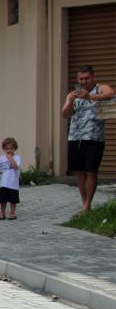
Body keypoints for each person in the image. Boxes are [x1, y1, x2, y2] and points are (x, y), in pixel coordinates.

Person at [61, 66, 115, 213]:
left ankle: (86, 206)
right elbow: (64, 114)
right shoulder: (73, 94)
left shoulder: (99, 88)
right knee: (79, 172)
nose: (84, 81)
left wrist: (89, 97)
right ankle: (85, 203)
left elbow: (111, 93)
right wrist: (70, 101)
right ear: (78, 79)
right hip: (74, 137)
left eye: (87, 78)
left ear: (93, 77)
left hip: (94, 138)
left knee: (91, 172)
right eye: (81, 79)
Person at [0, 137, 21, 220]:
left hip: (13, 184)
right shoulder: (1, 158)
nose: (9, 150)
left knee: (13, 200)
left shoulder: (17, 157)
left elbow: (15, 167)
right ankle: (2, 213)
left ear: (15, 148)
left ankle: (12, 213)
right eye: (7, 149)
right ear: (4, 149)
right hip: (3, 183)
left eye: (11, 148)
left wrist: (10, 158)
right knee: (2, 199)